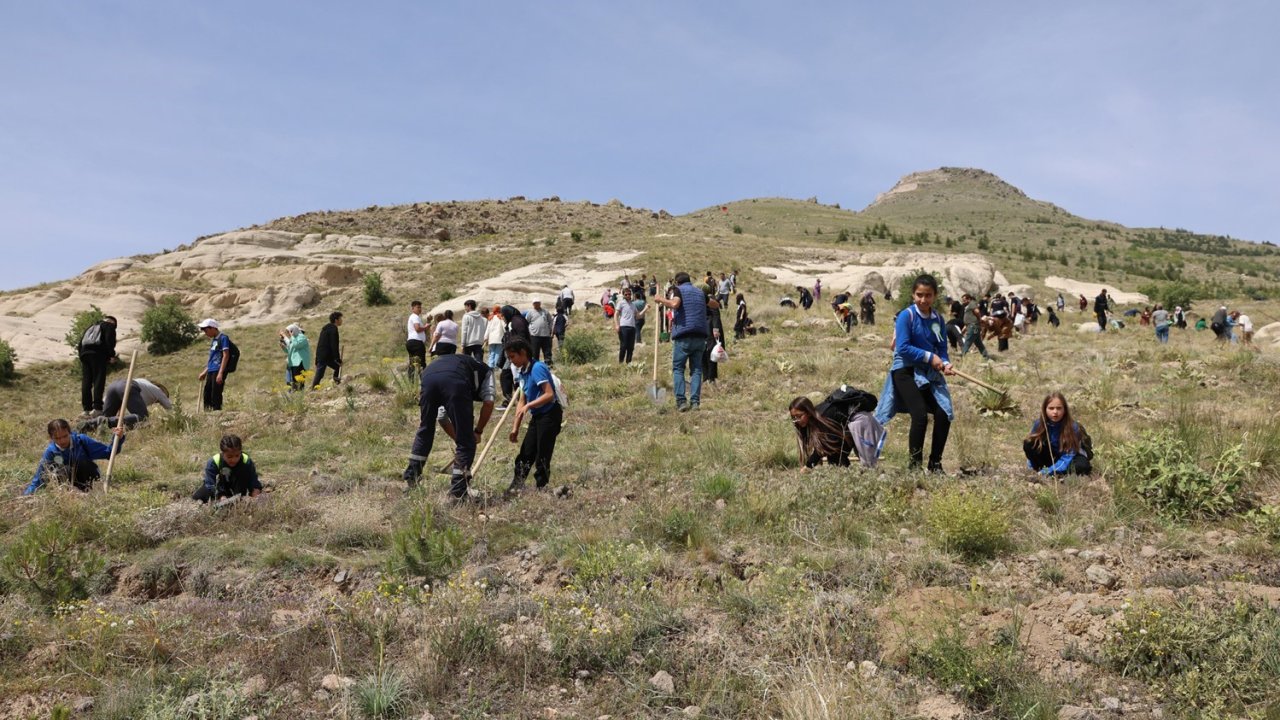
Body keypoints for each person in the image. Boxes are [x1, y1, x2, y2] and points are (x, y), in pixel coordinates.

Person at [874, 274, 955, 473]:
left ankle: (935, 465)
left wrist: (944, 362)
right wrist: (930, 357)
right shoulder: (906, 316)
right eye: (919, 295)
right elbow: (902, 347)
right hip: (905, 370)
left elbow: (941, 347)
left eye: (928, 295)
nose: (923, 299)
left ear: (935, 296)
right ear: (913, 295)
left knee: (943, 414)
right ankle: (914, 467)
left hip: (927, 372)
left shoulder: (937, 320)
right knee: (919, 414)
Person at [401, 352, 496, 498]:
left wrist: (460, 440)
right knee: (466, 440)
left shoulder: (462, 365)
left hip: (428, 376)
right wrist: (476, 432)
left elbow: (442, 417)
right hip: (454, 381)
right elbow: (489, 403)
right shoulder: (487, 372)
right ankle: (459, 489)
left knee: (425, 429)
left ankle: (411, 478)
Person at [504, 337, 563, 494]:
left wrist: (531, 405)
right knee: (526, 452)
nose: (511, 361)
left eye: (512, 357)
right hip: (538, 416)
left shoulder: (537, 368)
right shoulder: (523, 372)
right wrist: (515, 428)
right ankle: (517, 485)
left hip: (550, 414)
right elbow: (522, 401)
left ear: (523, 353)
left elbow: (549, 394)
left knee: (543, 453)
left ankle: (541, 488)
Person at [653, 272, 710, 411]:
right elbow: (713, 303)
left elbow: (674, 303)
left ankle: (681, 402)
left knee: (678, 369)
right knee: (696, 370)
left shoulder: (678, 290)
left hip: (684, 336)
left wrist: (660, 299)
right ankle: (695, 402)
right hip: (700, 336)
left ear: (678, 282)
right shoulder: (700, 292)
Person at [25, 419, 125, 494]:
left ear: (70, 432)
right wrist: (27, 495)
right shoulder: (51, 452)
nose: (62, 441)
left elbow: (108, 453)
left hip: (90, 479)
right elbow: (39, 478)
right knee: (59, 472)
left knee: (82, 462)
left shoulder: (81, 441)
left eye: (65, 436)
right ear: (51, 438)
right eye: (57, 438)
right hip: (69, 488)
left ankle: (92, 492)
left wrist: (118, 439)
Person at [1023, 393, 1092, 476]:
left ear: (1065, 410)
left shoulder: (1073, 427)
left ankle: (1057, 473)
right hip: (1051, 456)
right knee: (1029, 443)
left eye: (1059, 408)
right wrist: (1031, 467)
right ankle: (1040, 469)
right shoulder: (1039, 424)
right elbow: (1032, 448)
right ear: (1045, 409)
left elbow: (1067, 457)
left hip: (1070, 458)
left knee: (1082, 466)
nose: (1055, 412)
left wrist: (1047, 471)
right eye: (1051, 408)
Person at [79, 378, 171, 431]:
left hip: (114, 386)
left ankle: (87, 425)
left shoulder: (144, 384)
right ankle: (103, 421)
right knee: (143, 417)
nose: (158, 403)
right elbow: (170, 407)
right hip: (127, 386)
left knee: (105, 423)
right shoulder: (157, 390)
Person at [193, 434, 262, 503]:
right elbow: (210, 484)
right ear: (222, 453)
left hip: (239, 487)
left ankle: (238, 497)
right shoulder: (213, 462)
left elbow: (253, 481)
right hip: (221, 487)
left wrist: (255, 497)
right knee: (200, 495)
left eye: (237, 455)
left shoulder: (246, 461)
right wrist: (221, 496)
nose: (234, 459)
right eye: (229, 457)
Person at [78, 315, 119, 416]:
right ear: (113, 322)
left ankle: (86, 409)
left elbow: (80, 344)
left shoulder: (91, 327)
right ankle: (97, 408)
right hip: (98, 355)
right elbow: (109, 341)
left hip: (85, 354)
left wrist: (82, 355)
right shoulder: (109, 326)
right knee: (98, 381)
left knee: (86, 382)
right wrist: (111, 355)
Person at [197, 318, 231, 411]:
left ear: (213, 328)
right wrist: (204, 372)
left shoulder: (223, 338)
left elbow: (226, 355)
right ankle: (207, 414)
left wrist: (220, 373)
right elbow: (212, 358)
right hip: (211, 370)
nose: (205, 332)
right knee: (207, 393)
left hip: (218, 369)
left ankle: (216, 414)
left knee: (215, 394)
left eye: (206, 330)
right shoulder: (214, 341)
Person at [312, 312, 343, 388]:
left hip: (322, 354)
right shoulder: (333, 329)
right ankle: (314, 388)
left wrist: (317, 357)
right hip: (325, 355)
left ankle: (337, 383)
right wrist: (337, 358)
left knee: (337, 367)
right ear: (336, 320)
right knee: (320, 373)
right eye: (340, 319)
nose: (342, 320)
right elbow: (334, 345)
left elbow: (319, 343)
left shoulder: (325, 328)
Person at [614, 286, 645, 363]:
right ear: (623, 295)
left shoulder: (633, 305)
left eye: (629, 294)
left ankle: (628, 363)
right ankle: (621, 362)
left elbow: (638, 316)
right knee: (623, 346)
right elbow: (616, 314)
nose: (628, 296)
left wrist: (645, 309)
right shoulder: (621, 303)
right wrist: (617, 325)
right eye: (626, 294)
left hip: (632, 327)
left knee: (631, 347)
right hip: (624, 326)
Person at [278, 323, 311, 390]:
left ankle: (300, 393)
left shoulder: (301, 337)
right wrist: (283, 347)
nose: (289, 333)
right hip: (294, 363)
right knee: (294, 381)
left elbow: (297, 345)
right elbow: (290, 351)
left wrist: (292, 336)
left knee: (300, 382)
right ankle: (296, 394)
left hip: (301, 362)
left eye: (290, 331)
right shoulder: (294, 339)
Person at [959, 293, 992, 360]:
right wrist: (964, 329)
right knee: (979, 344)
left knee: (967, 341)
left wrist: (979, 319)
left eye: (964, 300)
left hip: (973, 326)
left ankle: (962, 357)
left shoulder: (972, 303)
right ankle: (986, 357)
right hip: (971, 326)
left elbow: (977, 311)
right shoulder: (968, 306)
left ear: (969, 299)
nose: (963, 301)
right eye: (962, 300)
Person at [702, 290, 725, 383]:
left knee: (711, 354)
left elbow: (716, 317)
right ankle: (706, 377)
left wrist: (715, 330)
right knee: (704, 354)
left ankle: (711, 377)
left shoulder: (711, 301)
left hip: (711, 332)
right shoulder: (704, 301)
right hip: (704, 331)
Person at [525, 298, 554, 365]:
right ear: (533, 304)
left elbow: (550, 321)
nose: (536, 304)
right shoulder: (530, 313)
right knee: (535, 352)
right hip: (534, 336)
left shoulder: (545, 311)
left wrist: (550, 330)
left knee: (547, 351)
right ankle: (535, 366)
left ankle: (549, 364)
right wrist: (529, 332)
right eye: (535, 303)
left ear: (540, 303)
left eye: (538, 302)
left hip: (545, 335)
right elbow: (526, 322)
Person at [406, 301, 428, 372]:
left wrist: (426, 324)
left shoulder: (413, 317)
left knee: (412, 363)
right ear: (413, 308)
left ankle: (411, 382)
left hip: (411, 342)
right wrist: (426, 327)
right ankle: (424, 381)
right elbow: (418, 329)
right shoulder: (415, 317)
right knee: (421, 364)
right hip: (417, 343)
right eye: (418, 307)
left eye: (420, 307)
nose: (420, 309)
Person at [485, 305, 506, 370]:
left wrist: (486, 337)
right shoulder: (500, 317)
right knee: (498, 353)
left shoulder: (490, 318)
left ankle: (490, 365)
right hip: (499, 338)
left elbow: (488, 328)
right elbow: (504, 327)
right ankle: (496, 366)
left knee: (492, 353)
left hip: (491, 339)